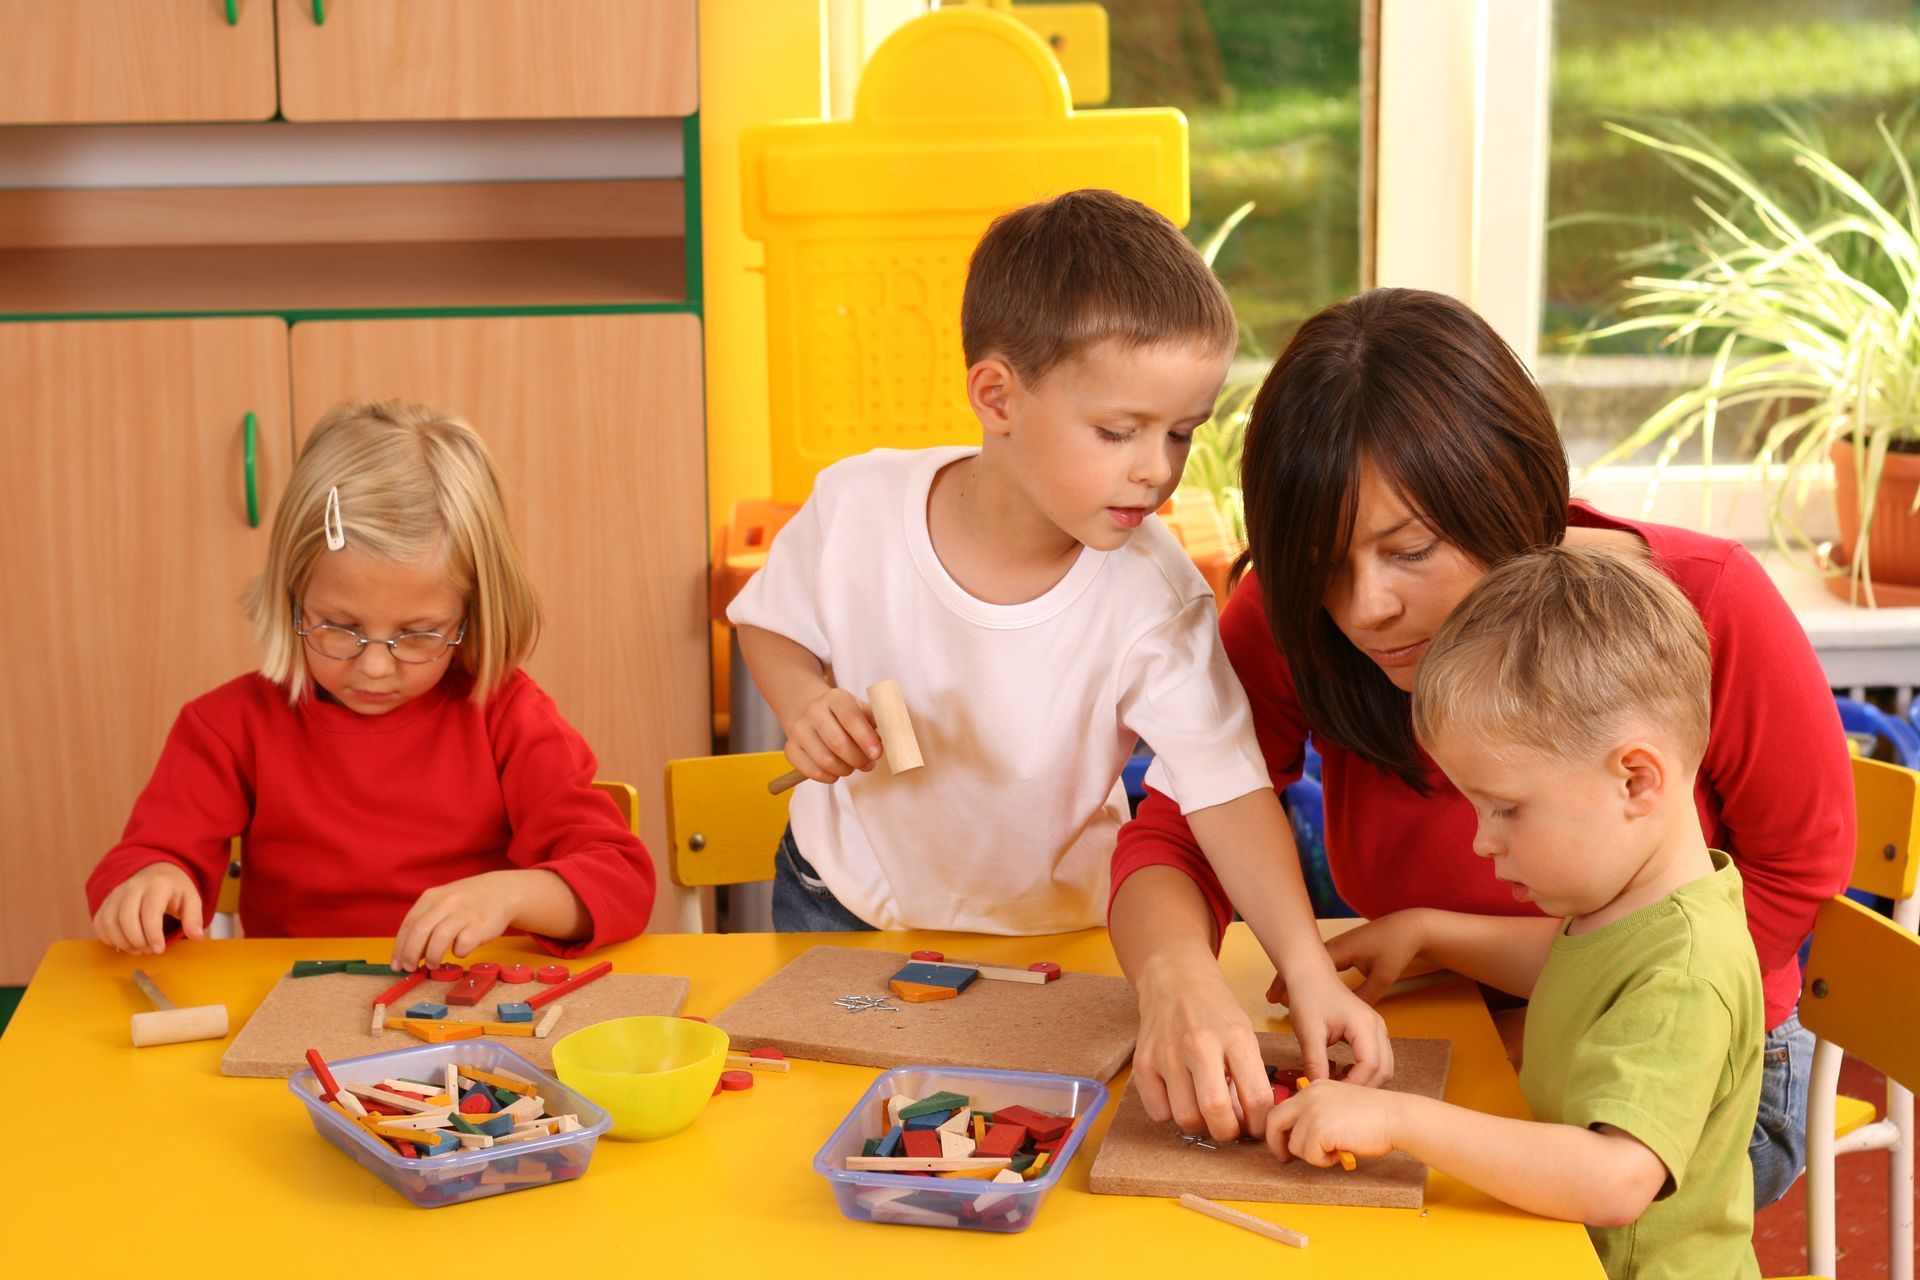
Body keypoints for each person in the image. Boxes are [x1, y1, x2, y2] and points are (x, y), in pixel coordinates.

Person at [1111, 287, 1851, 1202]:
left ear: (1508, 495)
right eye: (1322, 564)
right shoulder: (1297, 620)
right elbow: (1177, 835)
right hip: (1450, 1026)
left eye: (1410, 548)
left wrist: (1545, 1032)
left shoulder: (1703, 603)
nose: (1365, 608)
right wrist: (1176, 981)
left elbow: (1795, 874)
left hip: (1680, 1069)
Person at [729, 189, 1389, 1100]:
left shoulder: (1154, 596)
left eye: (1181, 434)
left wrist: (1307, 969)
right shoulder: (857, 506)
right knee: (826, 1131)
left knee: (1022, 1148)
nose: (1156, 468)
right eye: (1119, 432)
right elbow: (770, 620)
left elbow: (1229, 795)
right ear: (998, 396)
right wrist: (802, 699)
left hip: (1057, 937)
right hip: (841, 903)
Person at [1268, 544, 1761, 1280]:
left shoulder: (1688, 972)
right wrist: (1430, 930)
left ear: (1635, 780)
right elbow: (1580, 968)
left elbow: (1616, 1179)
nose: (1480, 840)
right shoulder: (1635, 906)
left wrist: (1399, 1120)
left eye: (1506, 808)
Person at [87, 399, 656, 967]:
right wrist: (151, 884)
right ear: (292, 598)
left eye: (419, 634)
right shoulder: (227, 727)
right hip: (297, 1009)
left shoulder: (506, 715)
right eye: (339, 627)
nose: (376, 667)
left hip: (468, 1005)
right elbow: (145, 858)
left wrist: (513, 894)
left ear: (472, 615)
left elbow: (621, 880)